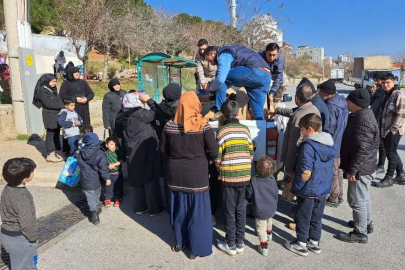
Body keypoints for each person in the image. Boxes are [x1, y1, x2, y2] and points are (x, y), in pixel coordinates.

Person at [160, 92, 218, 259]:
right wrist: (204, 159)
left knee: (179, 210)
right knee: (197, 214)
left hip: (175, 175)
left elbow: (163, 150)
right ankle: (196, 249)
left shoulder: (169, 126)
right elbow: (213, 150)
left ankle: (179, 242)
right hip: (197, 176)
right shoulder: (203, 125)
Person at [285, 114, 336, 256]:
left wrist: (297, 187)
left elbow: (304, 170)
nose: (301, 132)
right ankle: (314, 242)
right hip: (322, 188)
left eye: (302, 129)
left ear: (310, 129)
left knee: (302, 216)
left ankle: (301, 243)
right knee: (316, 216)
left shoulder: (308, 146)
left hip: (308, 188)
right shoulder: (329, 144)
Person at [337, 88, 379, 243]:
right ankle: (366, 223)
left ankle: (360, 232)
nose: (347, 102)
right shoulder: (361, 114)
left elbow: (361, 148)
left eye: (349, 100)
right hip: (364, 166)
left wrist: (353, 170)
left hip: (361, 168)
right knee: (364, 196)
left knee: (357, 200)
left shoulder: (364, 120)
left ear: (356, 103)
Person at [215, 100, 254, 256]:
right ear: (238, 113)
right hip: (245, 176)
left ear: (223, 115)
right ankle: (240, 242)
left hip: (228, 177)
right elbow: (251, 153)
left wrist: (221, 169)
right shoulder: (245, 130)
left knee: (229, 210)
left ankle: (230, 244)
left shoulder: (222, 131)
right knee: (241, 209)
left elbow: (217, 158)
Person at [120, 92, 164, 216]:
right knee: (150, 178)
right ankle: (154, 208)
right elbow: (158, 113)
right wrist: (149, 100)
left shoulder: (124, 116)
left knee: (137, 178)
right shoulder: (140, 114)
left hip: (132, 149)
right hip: (145, 148)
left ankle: (140, 207)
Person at [272, 84, 320, 198]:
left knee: (294, 189)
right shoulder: (313, 109)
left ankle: (296, 209)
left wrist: (288, 169)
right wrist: (277, 110)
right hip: (310, 158)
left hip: (298, 161)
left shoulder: (299, 117)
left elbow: (293, 146)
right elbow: (293, 113)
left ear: (297, 98)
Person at [204, 45, 271, 120]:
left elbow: (221, 79)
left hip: (255, 72)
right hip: (266, 76)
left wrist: (210, 88)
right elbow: (228, 81)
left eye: (209, 60)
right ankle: (262, 130)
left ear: (213, 53)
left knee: (220, 74)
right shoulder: (235, 50)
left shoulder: (224, 53)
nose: (211, 63)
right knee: (258, 112)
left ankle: (220, 109)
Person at [0, 158, 38, 270]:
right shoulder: (23, 197)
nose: (33, 173)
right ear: (25, 179)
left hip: (6, 234)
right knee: (23, 266)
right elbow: (26, 222)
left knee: (23, 263)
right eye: (32, 171)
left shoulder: (7, 188)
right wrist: (32, 239)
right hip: (20, 238)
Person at [317, 79, 349, 207]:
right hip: (341, 141)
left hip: (334, 142)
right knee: (339, 170)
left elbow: (330, 127)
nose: (319, 94)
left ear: (328, 94)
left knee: (333, 171)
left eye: (321, 92)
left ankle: (334, 197)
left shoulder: (331, 106)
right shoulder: (341, 101)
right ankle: (339, 194)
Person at [374, 73, 405, 187]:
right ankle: (401, 175)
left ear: (393, 82)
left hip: (393, 131)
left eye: (388, 83)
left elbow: (401, 114)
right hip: (384, 129)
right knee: (392, 152)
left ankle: (389, 178)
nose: (385, 85)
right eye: (383, 83)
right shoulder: (386, 94)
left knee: (390, 154)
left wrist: (393, 130)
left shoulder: (399, 94)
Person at [246, 156, 278, 256]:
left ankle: (263, 246)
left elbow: (249, 194)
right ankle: (269, 234)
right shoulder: (273, 179)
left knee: (260, 228)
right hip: (272, 208)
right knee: (269, 219)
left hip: (260, 210)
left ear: (258, 168)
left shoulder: (254, 180)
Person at [77, 132, 111, 225]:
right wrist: (107, 178)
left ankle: (94, 210)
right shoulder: (100, 153)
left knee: (90, 196)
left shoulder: (81, 152)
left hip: (85, 180)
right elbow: (103, 167)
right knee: (96, 194)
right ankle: (94, 211)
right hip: (97, 179)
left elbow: (79, 163)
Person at [32, 73, 65, 162]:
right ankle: (50, 154)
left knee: (57, 134)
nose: (55, 83)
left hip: (57, 114)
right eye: (53, 81)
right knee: (50, 134)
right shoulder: (42, 90)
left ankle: (57, 151)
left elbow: (59, 100)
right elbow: (48, 104)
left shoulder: (53, 89)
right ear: (47, 81)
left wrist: (62, 106)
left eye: (55, 81)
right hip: (49, 115)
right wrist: (61, 106)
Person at [369, 72, 386, 174]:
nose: (375, 82)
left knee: (382, 145)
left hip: (381, 121)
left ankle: (381, 165)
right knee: (374, 142)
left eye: (376, 80)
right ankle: (374, 163)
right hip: (374, 119)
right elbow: (370, 102)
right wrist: (372, 92)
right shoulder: (379, 90)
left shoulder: (388, 91)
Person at [104, 137, 124, 207]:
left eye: (115, 144)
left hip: (118, 174)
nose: (114, 146)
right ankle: (107, 198)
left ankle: (118, 198)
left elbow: (122, 161)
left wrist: (114, 164)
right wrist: (108, 165)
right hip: (108, 174)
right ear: (106, 145)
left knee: (118, 187)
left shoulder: (119, 152)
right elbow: (102, 163)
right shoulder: (105, 154)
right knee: (108, 187)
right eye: (111, 144)